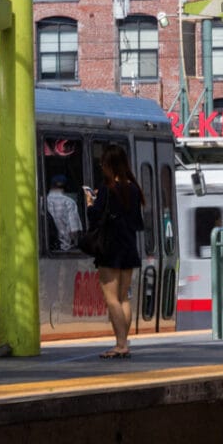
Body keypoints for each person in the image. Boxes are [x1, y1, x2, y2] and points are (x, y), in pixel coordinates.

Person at [86, 147, 144, 358]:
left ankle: (120, 344)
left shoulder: (108, 188)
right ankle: (123, 342)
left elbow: (95, 216)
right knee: (124, 298)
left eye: (103, 164)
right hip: (129, 246)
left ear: (109, 165)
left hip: (110, 247)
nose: (102, 168)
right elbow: (137, 220)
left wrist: (90, 202)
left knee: (111, 299)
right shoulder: (135, 189)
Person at [45, 175, 81, 252]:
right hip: (65, 249)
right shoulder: (69, 202)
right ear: (66, 187)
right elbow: (73, 230)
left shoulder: (43, 202)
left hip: (47, 249)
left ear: (51, 185)